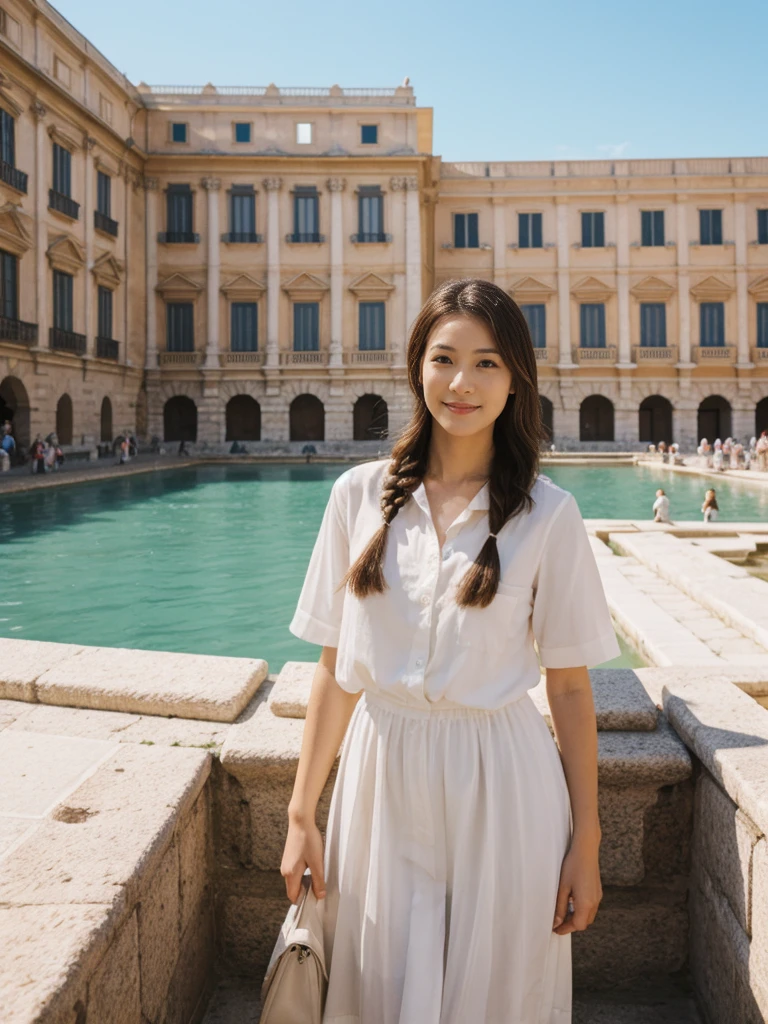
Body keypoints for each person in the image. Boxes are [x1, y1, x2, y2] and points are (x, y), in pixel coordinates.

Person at [282, 278, 620, 1023]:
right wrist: (302, 813)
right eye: (445, 358)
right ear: (417, 367)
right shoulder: (354, 497)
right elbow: (336, 669)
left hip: (504, 784)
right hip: (381, 779)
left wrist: (586, 842)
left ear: (516, 381)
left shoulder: (550, 515)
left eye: (488, 363)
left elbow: (568, 689)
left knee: (497, 995)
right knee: (377, 988)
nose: (462, 382)